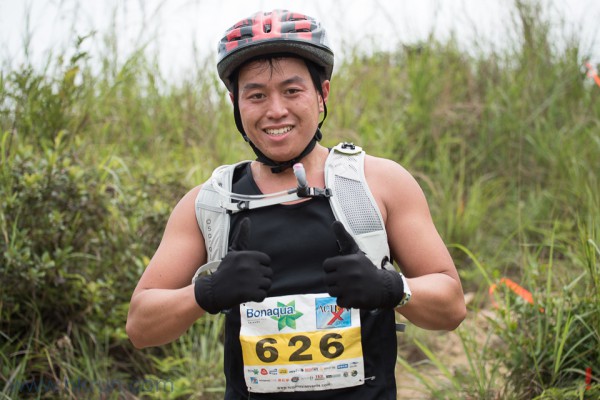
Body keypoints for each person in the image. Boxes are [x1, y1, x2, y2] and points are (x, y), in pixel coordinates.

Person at [126, 9, 466, 400]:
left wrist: (391, 288)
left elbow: (451, 307)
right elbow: (140, 327)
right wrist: (206, 292)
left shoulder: (379, 184)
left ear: (322, 95)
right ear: (236, 103)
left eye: (292, 91)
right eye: (256, 95)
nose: (275, 110)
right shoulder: (212, 202)